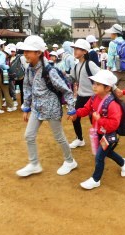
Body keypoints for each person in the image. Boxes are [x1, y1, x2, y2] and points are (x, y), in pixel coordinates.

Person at [16, 35, 78, 177]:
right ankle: (34, 164)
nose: (25, 54)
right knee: (29, 136)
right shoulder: (29, 69)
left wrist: (71, 108)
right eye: (24, 51)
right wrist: (26, 107)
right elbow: (27, 87)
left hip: (51, 108)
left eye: (28, 51)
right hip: (36, 108)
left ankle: (70, 161)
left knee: (59, 137)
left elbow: (66, 90)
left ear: (38, 52)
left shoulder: (49, 70)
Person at [68, 70, 125, 190]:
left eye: (97, 84)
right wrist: (76, 113)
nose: (94, 86)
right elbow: (86, 109)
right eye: (94, 83)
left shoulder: (113, 104)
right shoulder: (94, 98)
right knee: (108, 152)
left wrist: (99, 119)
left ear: (107, 88)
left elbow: (114, 125)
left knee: (100, 156)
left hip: (109, 135)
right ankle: (123, 162)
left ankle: (95, 179)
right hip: (100, 132)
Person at [68, 39, 100, 149]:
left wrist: (114, 89)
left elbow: (101, 77)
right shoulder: (76, 66)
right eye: (75, 49)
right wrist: (61, 75)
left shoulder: (90, 64)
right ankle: (79, 139)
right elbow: (72, 79)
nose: (75, 51)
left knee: (95, 120)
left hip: (92, 97)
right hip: (81, 96)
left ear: (85, 51)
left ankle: (101, 140)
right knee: (75, 117)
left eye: (78, 49)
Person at [0, 38, 16, 114]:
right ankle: (10, 106)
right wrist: (7, 67)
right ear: (1, 46)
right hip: (1, 74)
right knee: (5, 90)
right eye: (3, 44)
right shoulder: (1, 54)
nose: (4, 45)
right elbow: (1, 64)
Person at [105, 24, 125, 90]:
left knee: (112, 91)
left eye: (111, 33)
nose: (110, 35)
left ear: (114, 33)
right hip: (124, 71)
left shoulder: (112, 43)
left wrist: (108, 69)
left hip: (115, 70)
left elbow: (110, 56)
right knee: (121, 93)